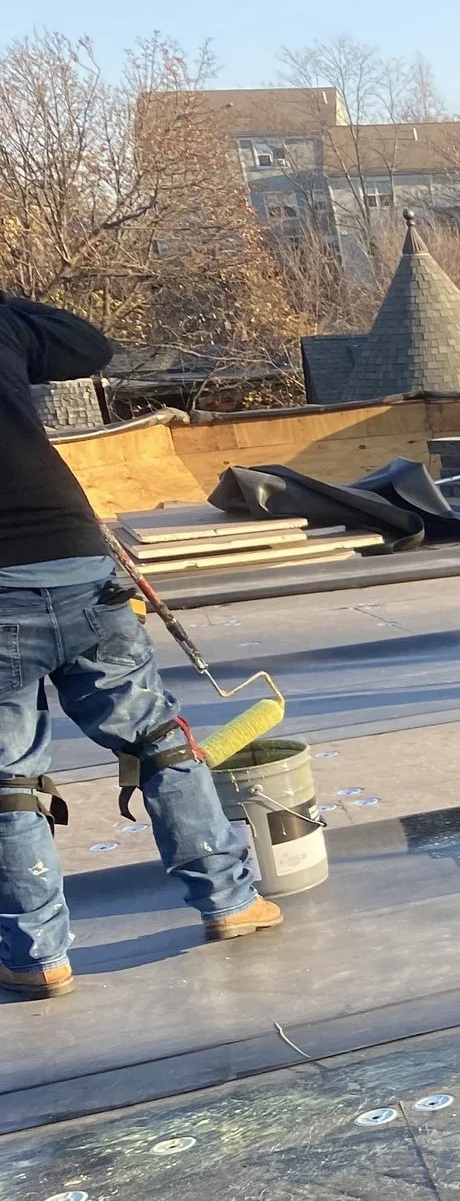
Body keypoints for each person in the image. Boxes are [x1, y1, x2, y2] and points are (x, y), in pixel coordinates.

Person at [0, 294, 278, 1000]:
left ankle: (38, 956)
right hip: (74, 556)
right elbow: (88, 345)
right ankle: (229, 900)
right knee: (156, 737)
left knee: (8, 778)